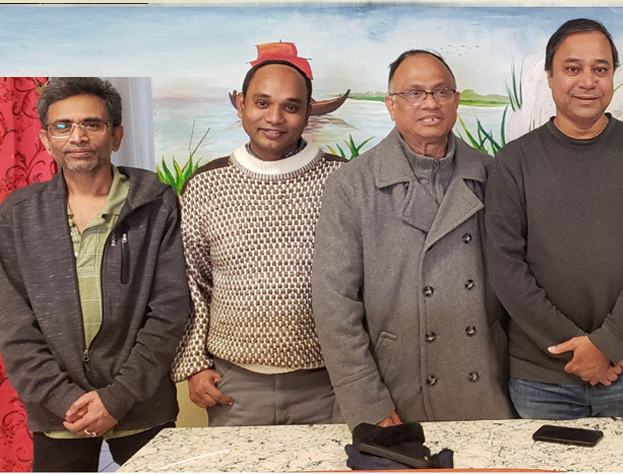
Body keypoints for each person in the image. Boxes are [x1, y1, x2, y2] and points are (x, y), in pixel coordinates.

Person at [485, 18, 623, 419]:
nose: (587, 81)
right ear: (550, 76)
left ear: (613, 76)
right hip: (542, 378)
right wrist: (584, 352)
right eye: (572, 68)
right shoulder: (514, 161)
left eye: (600, 69)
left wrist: (607, 345)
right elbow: (507, 269)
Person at [313, 50, 513, 427]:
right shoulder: (352, 184)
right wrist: (366, 400)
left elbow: (516, 282)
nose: (430, 103)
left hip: (483, 385)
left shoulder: (492, 174)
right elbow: (334, 304)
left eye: (441, 92)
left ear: (456, 101)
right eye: (414, 93)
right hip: (394, 390)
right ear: (391, 105)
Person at [0, 77, 188, 471]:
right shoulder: (17, 215)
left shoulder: (157, 204)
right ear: (46, 139)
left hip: (142, 403)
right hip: (59, 412)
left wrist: (117, 398)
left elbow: (169, 312)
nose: (78, 137)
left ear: (116, 135)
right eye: (63, 126)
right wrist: (62, 399)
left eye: (92, 124)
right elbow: (13, 325)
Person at [171, 60, 345, 425]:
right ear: (241, 104)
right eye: (262, 103)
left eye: (291, 106)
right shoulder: (206, 185)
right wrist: (195, 364)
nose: (275, 117)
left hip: (329, 383)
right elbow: (191, 282)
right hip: (234, 384)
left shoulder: (342, 179)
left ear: (308, 113)